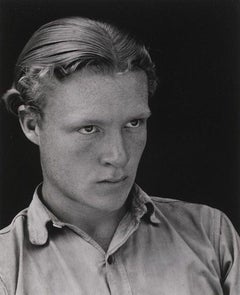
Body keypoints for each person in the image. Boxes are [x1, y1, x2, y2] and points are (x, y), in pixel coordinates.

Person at [0, 16, 239, 295]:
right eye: (89, 129)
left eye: (133, 123)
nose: (119, 155)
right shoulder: (5, 269)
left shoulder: (212, 235)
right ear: (31, 124)